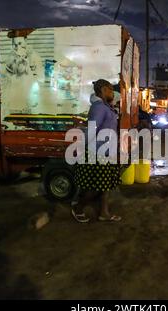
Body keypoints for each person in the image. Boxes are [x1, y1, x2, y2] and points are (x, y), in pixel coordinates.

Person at [71, 79, 122, 222]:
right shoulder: (99, 107)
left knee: (105, 186)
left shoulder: (105, 106)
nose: (113, 93)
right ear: (104, 90)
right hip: (97, 153)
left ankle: (104, 213)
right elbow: (92, 130)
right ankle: (78, 208)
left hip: (107, 153)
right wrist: (82, 147)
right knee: (95, 188)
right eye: (111, 90)